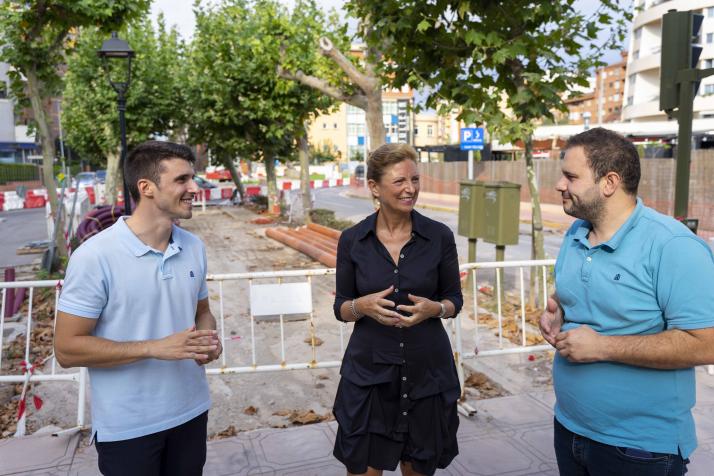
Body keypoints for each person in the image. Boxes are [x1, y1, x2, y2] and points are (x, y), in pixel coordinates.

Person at [539, 127, 714, 475]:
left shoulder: (672, 246)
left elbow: (707, 344)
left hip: (638, 449)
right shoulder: (577, 231)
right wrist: (555, 310)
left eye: (571, 176)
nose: (560, 185)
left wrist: (603, 347)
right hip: (569, 427)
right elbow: (577, 293)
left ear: (609, 182)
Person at [54, 141, 222, 476]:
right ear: (146, 188)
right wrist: (154, 348)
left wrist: (207, 337)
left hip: (191, 412)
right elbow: (66, 348)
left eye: (193, 178)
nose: (194, 188)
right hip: (128, 426)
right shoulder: (95, 257)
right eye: (182, 180)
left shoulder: (193, 246)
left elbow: (201, 309)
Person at [332, 143, 463, 476]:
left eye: (415, 179)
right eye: (400, 181)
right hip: (370, 378)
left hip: (426, 375)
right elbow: (341, 307)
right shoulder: (352, 240)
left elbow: (454, 300)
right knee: (362, 468)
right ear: (374, 187)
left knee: (418, 467)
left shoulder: (439, 236)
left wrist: (436, 309)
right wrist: (360, 306)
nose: (411, 189)